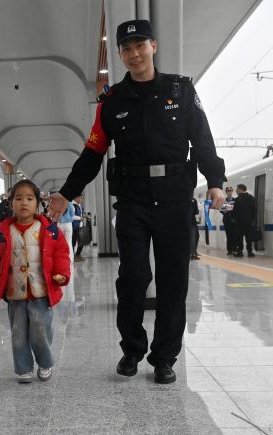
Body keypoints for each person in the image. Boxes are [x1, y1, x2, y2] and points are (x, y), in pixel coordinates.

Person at [48, 19, 226, 384]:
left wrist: (216, 181)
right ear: (119, 54)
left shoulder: (181, 89)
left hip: (175, 198)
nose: (134, 53)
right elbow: (92, 153)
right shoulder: (112, 102)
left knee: (173, 280)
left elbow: (203, 140)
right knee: (132, 278)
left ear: (154, 47)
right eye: (126, 48)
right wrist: (66, 193)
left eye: (140, 45)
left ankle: (164, 358)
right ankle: (131, 349)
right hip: (133, 201)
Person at [0, 180, 70, 383]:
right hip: (15, 294)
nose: (24, 202)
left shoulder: (49, 230)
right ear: (11, 203)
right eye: (18, 198)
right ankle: (23, 367)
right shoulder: (2, 232)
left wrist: (62, 274)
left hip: (41, 292)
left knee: (41, 330)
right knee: (18, 333)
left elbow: (61, 254)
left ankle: (45, 362)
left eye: (30, 198)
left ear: (38, 203)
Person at [232, 184, 256, 257]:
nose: (236, 191)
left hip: (239, 222)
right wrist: (252, 219)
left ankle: (240, 251)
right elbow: (254, 210)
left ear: (240, 189)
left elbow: (234, 211)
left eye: (237, 189)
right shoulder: (252, 198)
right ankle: (250, 251)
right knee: (249, 237)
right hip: (249, 222)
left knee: (239, 237)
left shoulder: (237, 200)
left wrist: (233, 219)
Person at [221, 186, 237, 255]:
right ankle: (229, 250)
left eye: (230, 191)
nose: (229, 192)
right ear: (226, 192)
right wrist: (230, 208)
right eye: (228, 191)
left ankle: (234, 249)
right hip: (227, 221)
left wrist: (228, 207)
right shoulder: (224, 201)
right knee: (228, 235)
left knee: (234, 235)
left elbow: (236, 210)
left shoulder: (236, 200)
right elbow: (222, 210)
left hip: (234, 221)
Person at [71, 195, 85, 261]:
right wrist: (80, 218)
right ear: (75, 198)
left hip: (79, 226)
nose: (80, 199)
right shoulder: (73, 205)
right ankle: (73, 255)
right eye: (79, 198)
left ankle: (77, 254)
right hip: (74, 226)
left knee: (81, 241)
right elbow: (71, 216)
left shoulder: (79, 205)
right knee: (73, 242)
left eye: (81, 198)